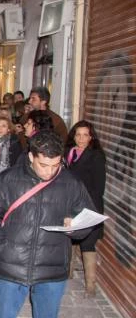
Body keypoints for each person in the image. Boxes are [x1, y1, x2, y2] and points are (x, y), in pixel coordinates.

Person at [0, 131, 95, 318]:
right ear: (31, 156)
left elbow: (89, 217)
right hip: (12, 264)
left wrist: (77, 227)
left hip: (52, 268)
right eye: (44, 164)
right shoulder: (9, 180)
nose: (50, 171)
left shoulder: (71, 183)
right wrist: (0, 248)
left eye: (56, 165)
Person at [65, 120, 106, 298]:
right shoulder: (69, 153)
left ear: (91, 137)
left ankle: (91, 285)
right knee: (70, 238)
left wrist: (91, 210)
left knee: (88, 243)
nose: (81, 138)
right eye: (78, 134)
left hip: (89, 205)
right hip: (70, 203)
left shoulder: (96, 156)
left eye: (85, 135)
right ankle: (67, 273)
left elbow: (99, 187)